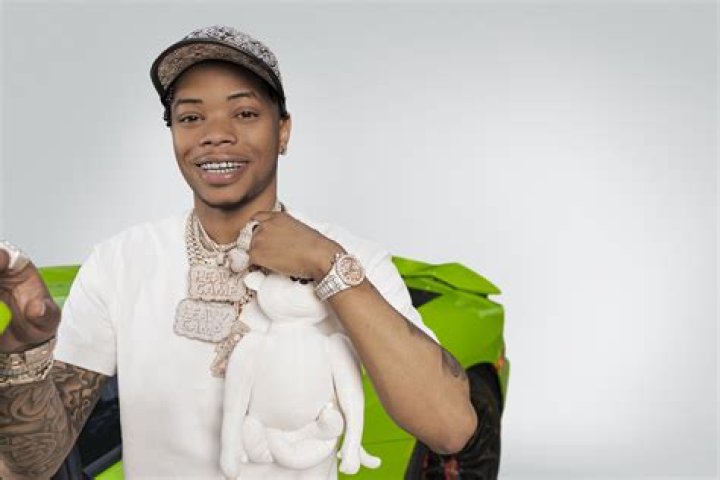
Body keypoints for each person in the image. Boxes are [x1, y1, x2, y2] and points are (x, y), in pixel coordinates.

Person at [0, 25, 477, 479]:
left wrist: (327, 265)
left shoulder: (353, 259)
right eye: (191, 117)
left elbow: (450, 428)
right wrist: (25, 346)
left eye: (244, 113)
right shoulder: (120, 263)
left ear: (283, 131)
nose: (215, 134)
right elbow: (34, 465)